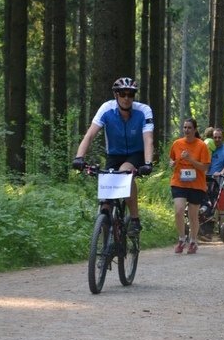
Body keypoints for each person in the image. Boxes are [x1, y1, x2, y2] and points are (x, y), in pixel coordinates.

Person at [72, 78, 154, 236]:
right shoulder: (106, 109)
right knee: (105, 204)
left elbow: (148, 139)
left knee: (124, 172)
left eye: (130, 94)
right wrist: (79, 157)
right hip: (114, 155)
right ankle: (106, 242)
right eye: (123, 94)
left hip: (136, 154)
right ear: (116, 95)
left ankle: (135, 219)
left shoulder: (144, 111)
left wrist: (148, 163)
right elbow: (90, 135)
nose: (126, 98)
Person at [169, 117, 211, 254]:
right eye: (185, 127)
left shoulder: (201, 146)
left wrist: (190, 159)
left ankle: (193, 241)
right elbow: (172, 159)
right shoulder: (177, 144)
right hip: (179, 182)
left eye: (189, 128)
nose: (186, 130)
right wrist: (172, 163)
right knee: (179, 210)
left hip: (196, 184)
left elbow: (204, 168)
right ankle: (181, 239)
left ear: (195, 130)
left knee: (193, 215)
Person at [208, 127, 224, 215]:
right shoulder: (209, 149)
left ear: (222, 138)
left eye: (219, 137)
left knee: (220, 206)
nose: (217, 139)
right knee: (207, 203)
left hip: (220, 182)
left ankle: (220, 222)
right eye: (215, 137)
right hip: (207, 180)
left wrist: (220, 173)